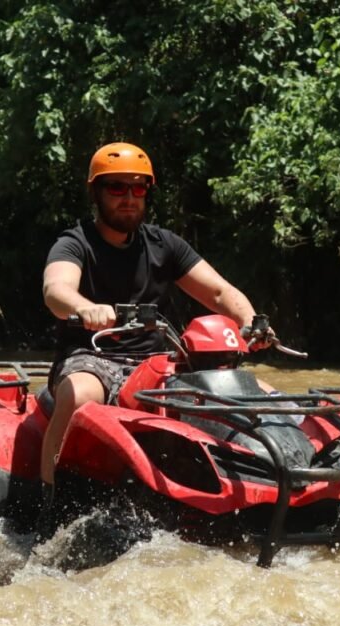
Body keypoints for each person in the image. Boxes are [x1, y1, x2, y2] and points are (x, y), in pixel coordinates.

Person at [37, 141, 268, 538]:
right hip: (91, 355)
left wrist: (249, 320)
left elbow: (218, 293)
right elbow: (55, 290)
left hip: (158, 361)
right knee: (79, 394)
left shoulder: (164, 244)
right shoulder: (75, 242)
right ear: (96, 192)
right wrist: (86, 308)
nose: (128, 197)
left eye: (138, 187)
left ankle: (274, 487)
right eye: (117, 187)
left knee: (254, 390)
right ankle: (47, 503)